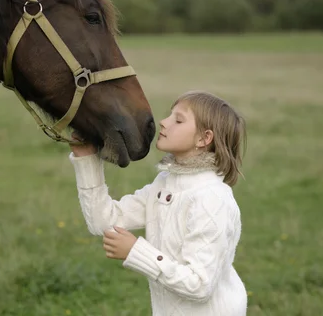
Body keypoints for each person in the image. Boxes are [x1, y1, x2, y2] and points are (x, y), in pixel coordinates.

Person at [68, 90, 248, 315]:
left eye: (178, 119)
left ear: (204, 138)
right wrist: (87, 159)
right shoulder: (165, 183)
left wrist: (136, 251)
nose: (163, 122)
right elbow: (103, 221)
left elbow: (200, 285)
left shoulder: (212, 198)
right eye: (169, 115)